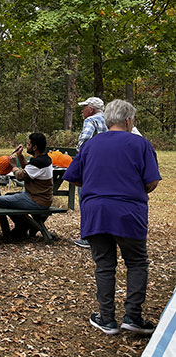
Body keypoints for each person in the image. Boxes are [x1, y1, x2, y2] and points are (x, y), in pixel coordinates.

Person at [63, 100, 161, 336]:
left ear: (107, 120)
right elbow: (152, 181)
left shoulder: (90, 145)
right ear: (128, 121)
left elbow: (74, 176)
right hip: (129, 212)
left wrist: (95, 187)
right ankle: (133, 316)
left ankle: (107, 318)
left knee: (104, 264)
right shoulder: (141, 144)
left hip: (96, 212)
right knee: (136, 262)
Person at [0, 132, 53, 238]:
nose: (27, 146)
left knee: (0, 200)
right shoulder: (44, 159)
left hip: (36, 200)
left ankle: (23, 226)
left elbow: (20, 176)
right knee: (8, 195)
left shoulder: (38, 163)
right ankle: (22, 226)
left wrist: (13, 165)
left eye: (29, 144)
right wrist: (20, 155)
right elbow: (28, 168)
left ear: (35, 147)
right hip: (43, 198)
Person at [74, 97, 108, 248]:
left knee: (86, 199)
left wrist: (79, 155)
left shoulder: (90, 121)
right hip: (107, 167)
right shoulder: (110, 121)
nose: (82, 111)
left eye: (84, 107)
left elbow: (85, 141)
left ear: (91, 110)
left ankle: (88, 238)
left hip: (91, 167)